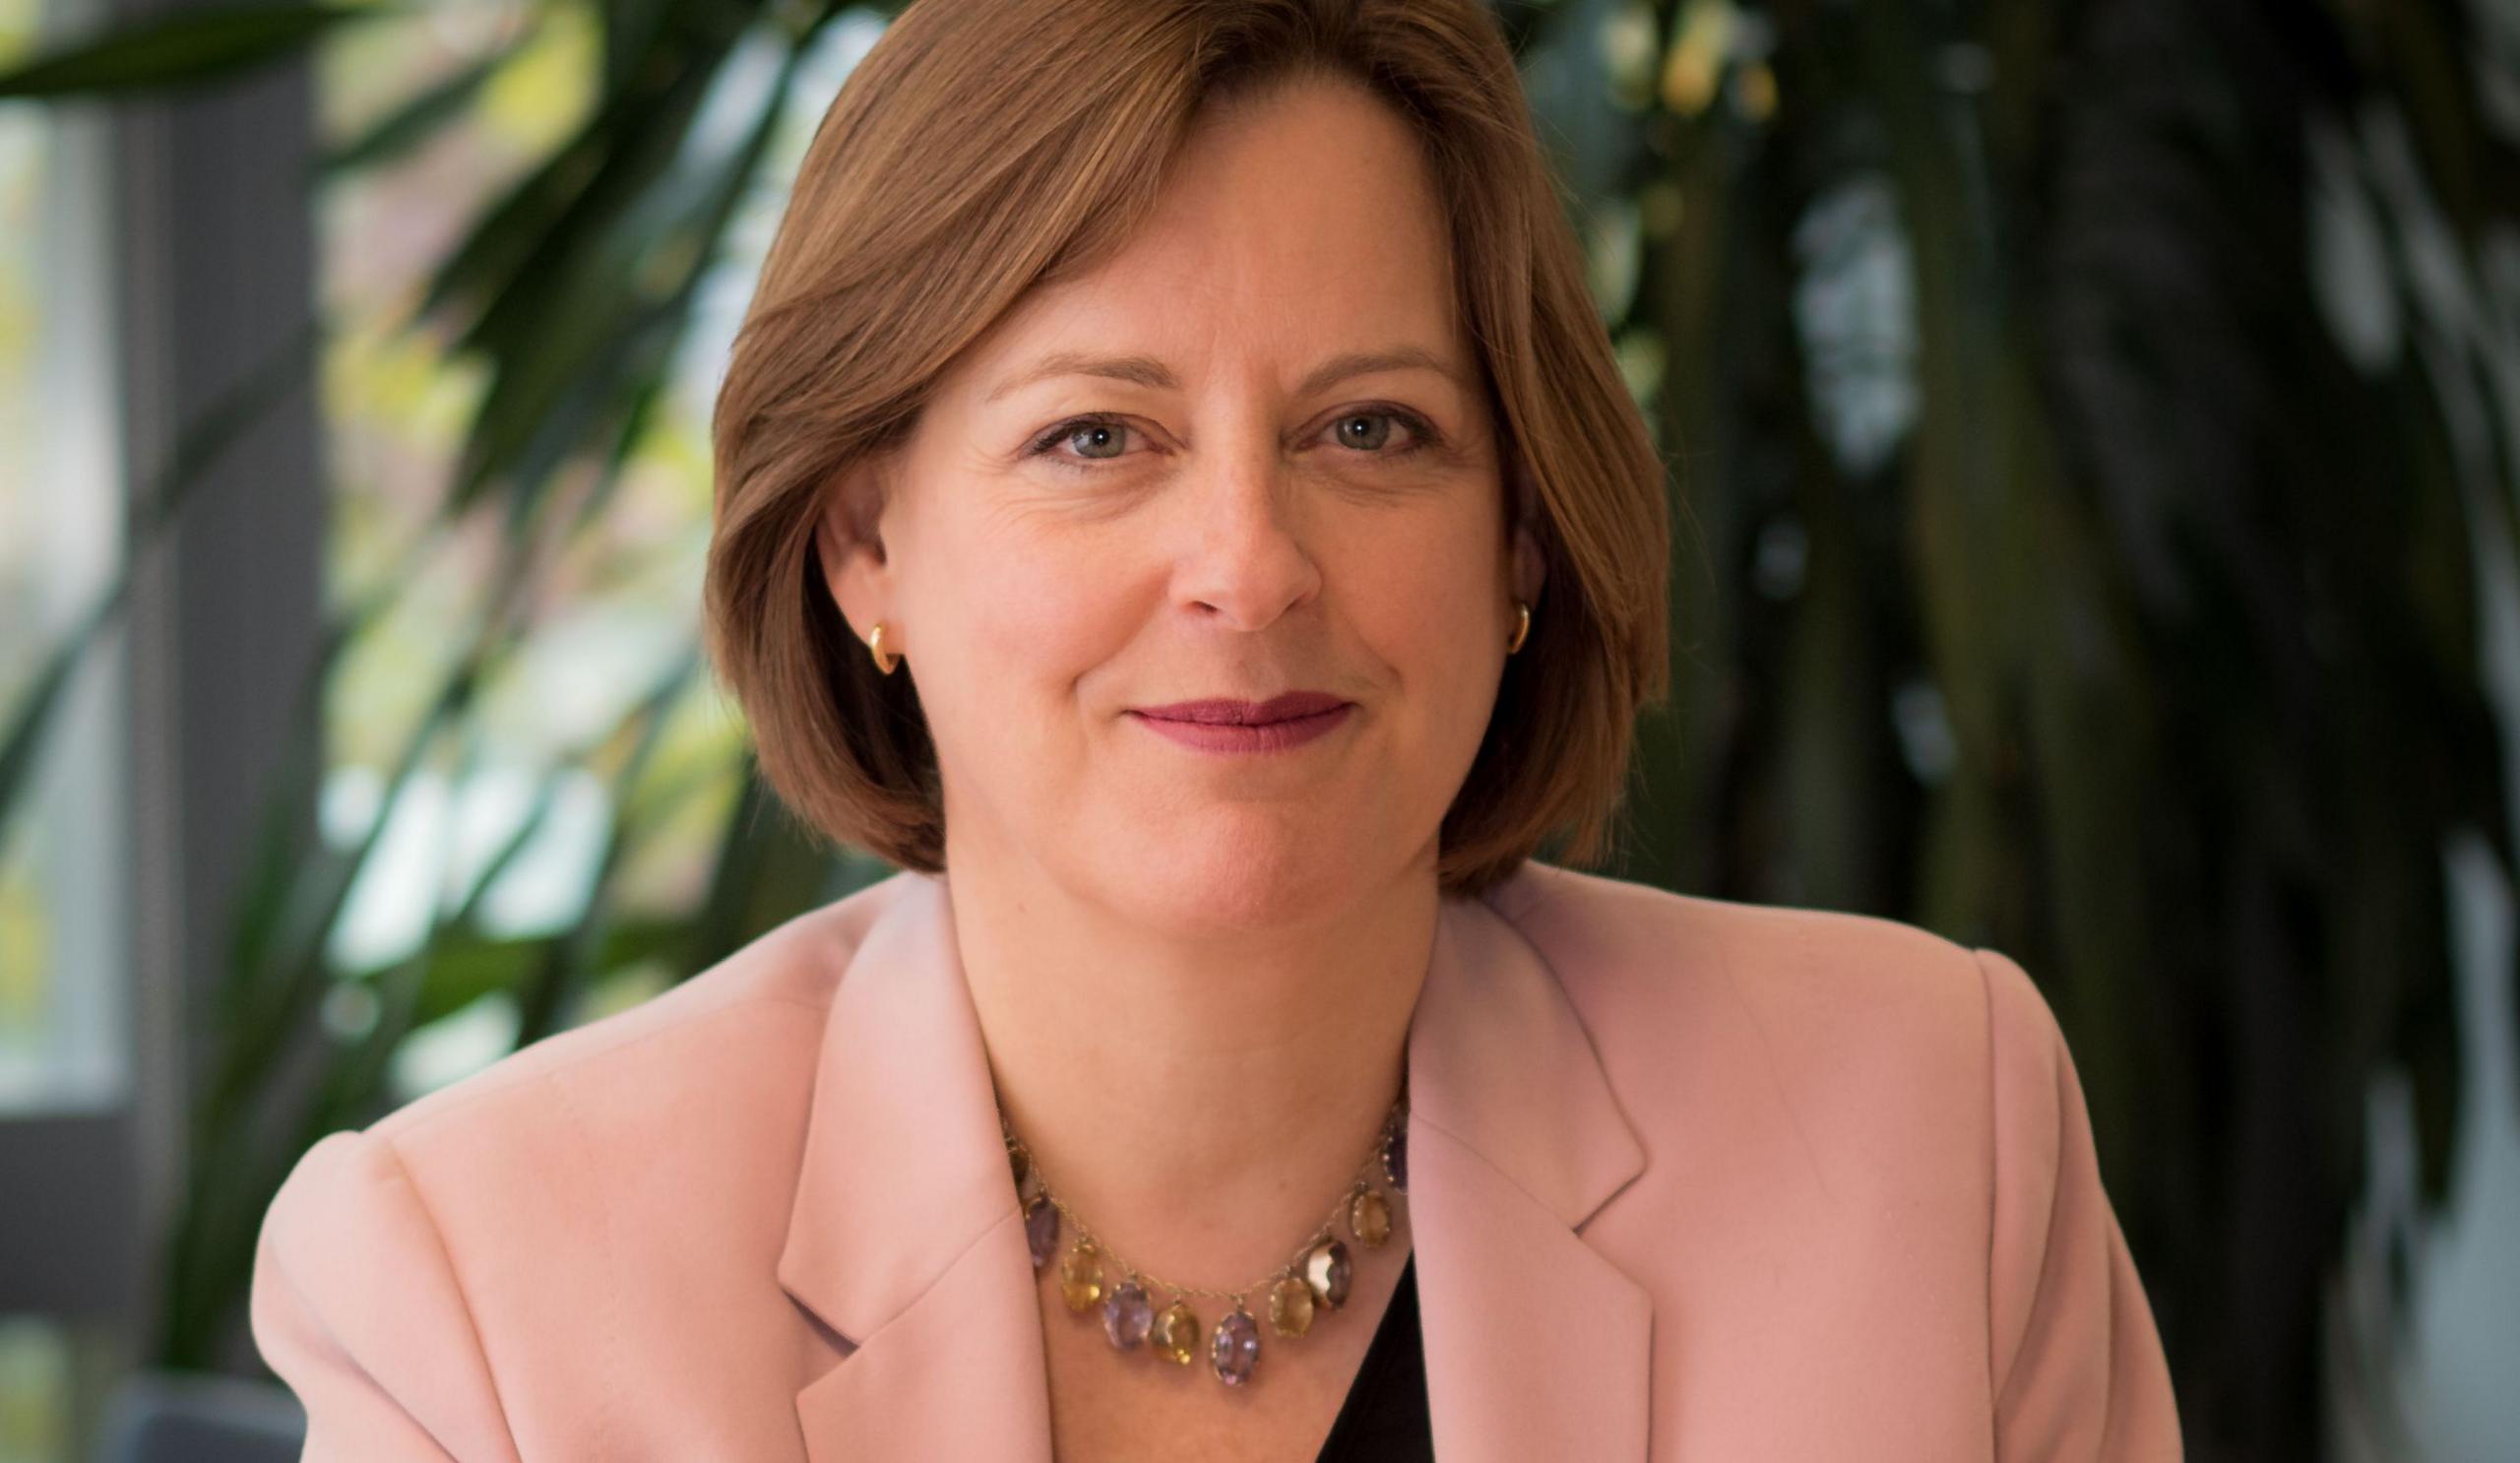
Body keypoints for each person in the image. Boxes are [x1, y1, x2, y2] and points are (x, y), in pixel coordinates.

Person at [248, 0, 2182, 1458]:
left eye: (1370, 429)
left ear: (1518, 532)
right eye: (1097, 435)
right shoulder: (487, 1292)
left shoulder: (1930, 1128)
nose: (1248, 567)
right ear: (866, 543)